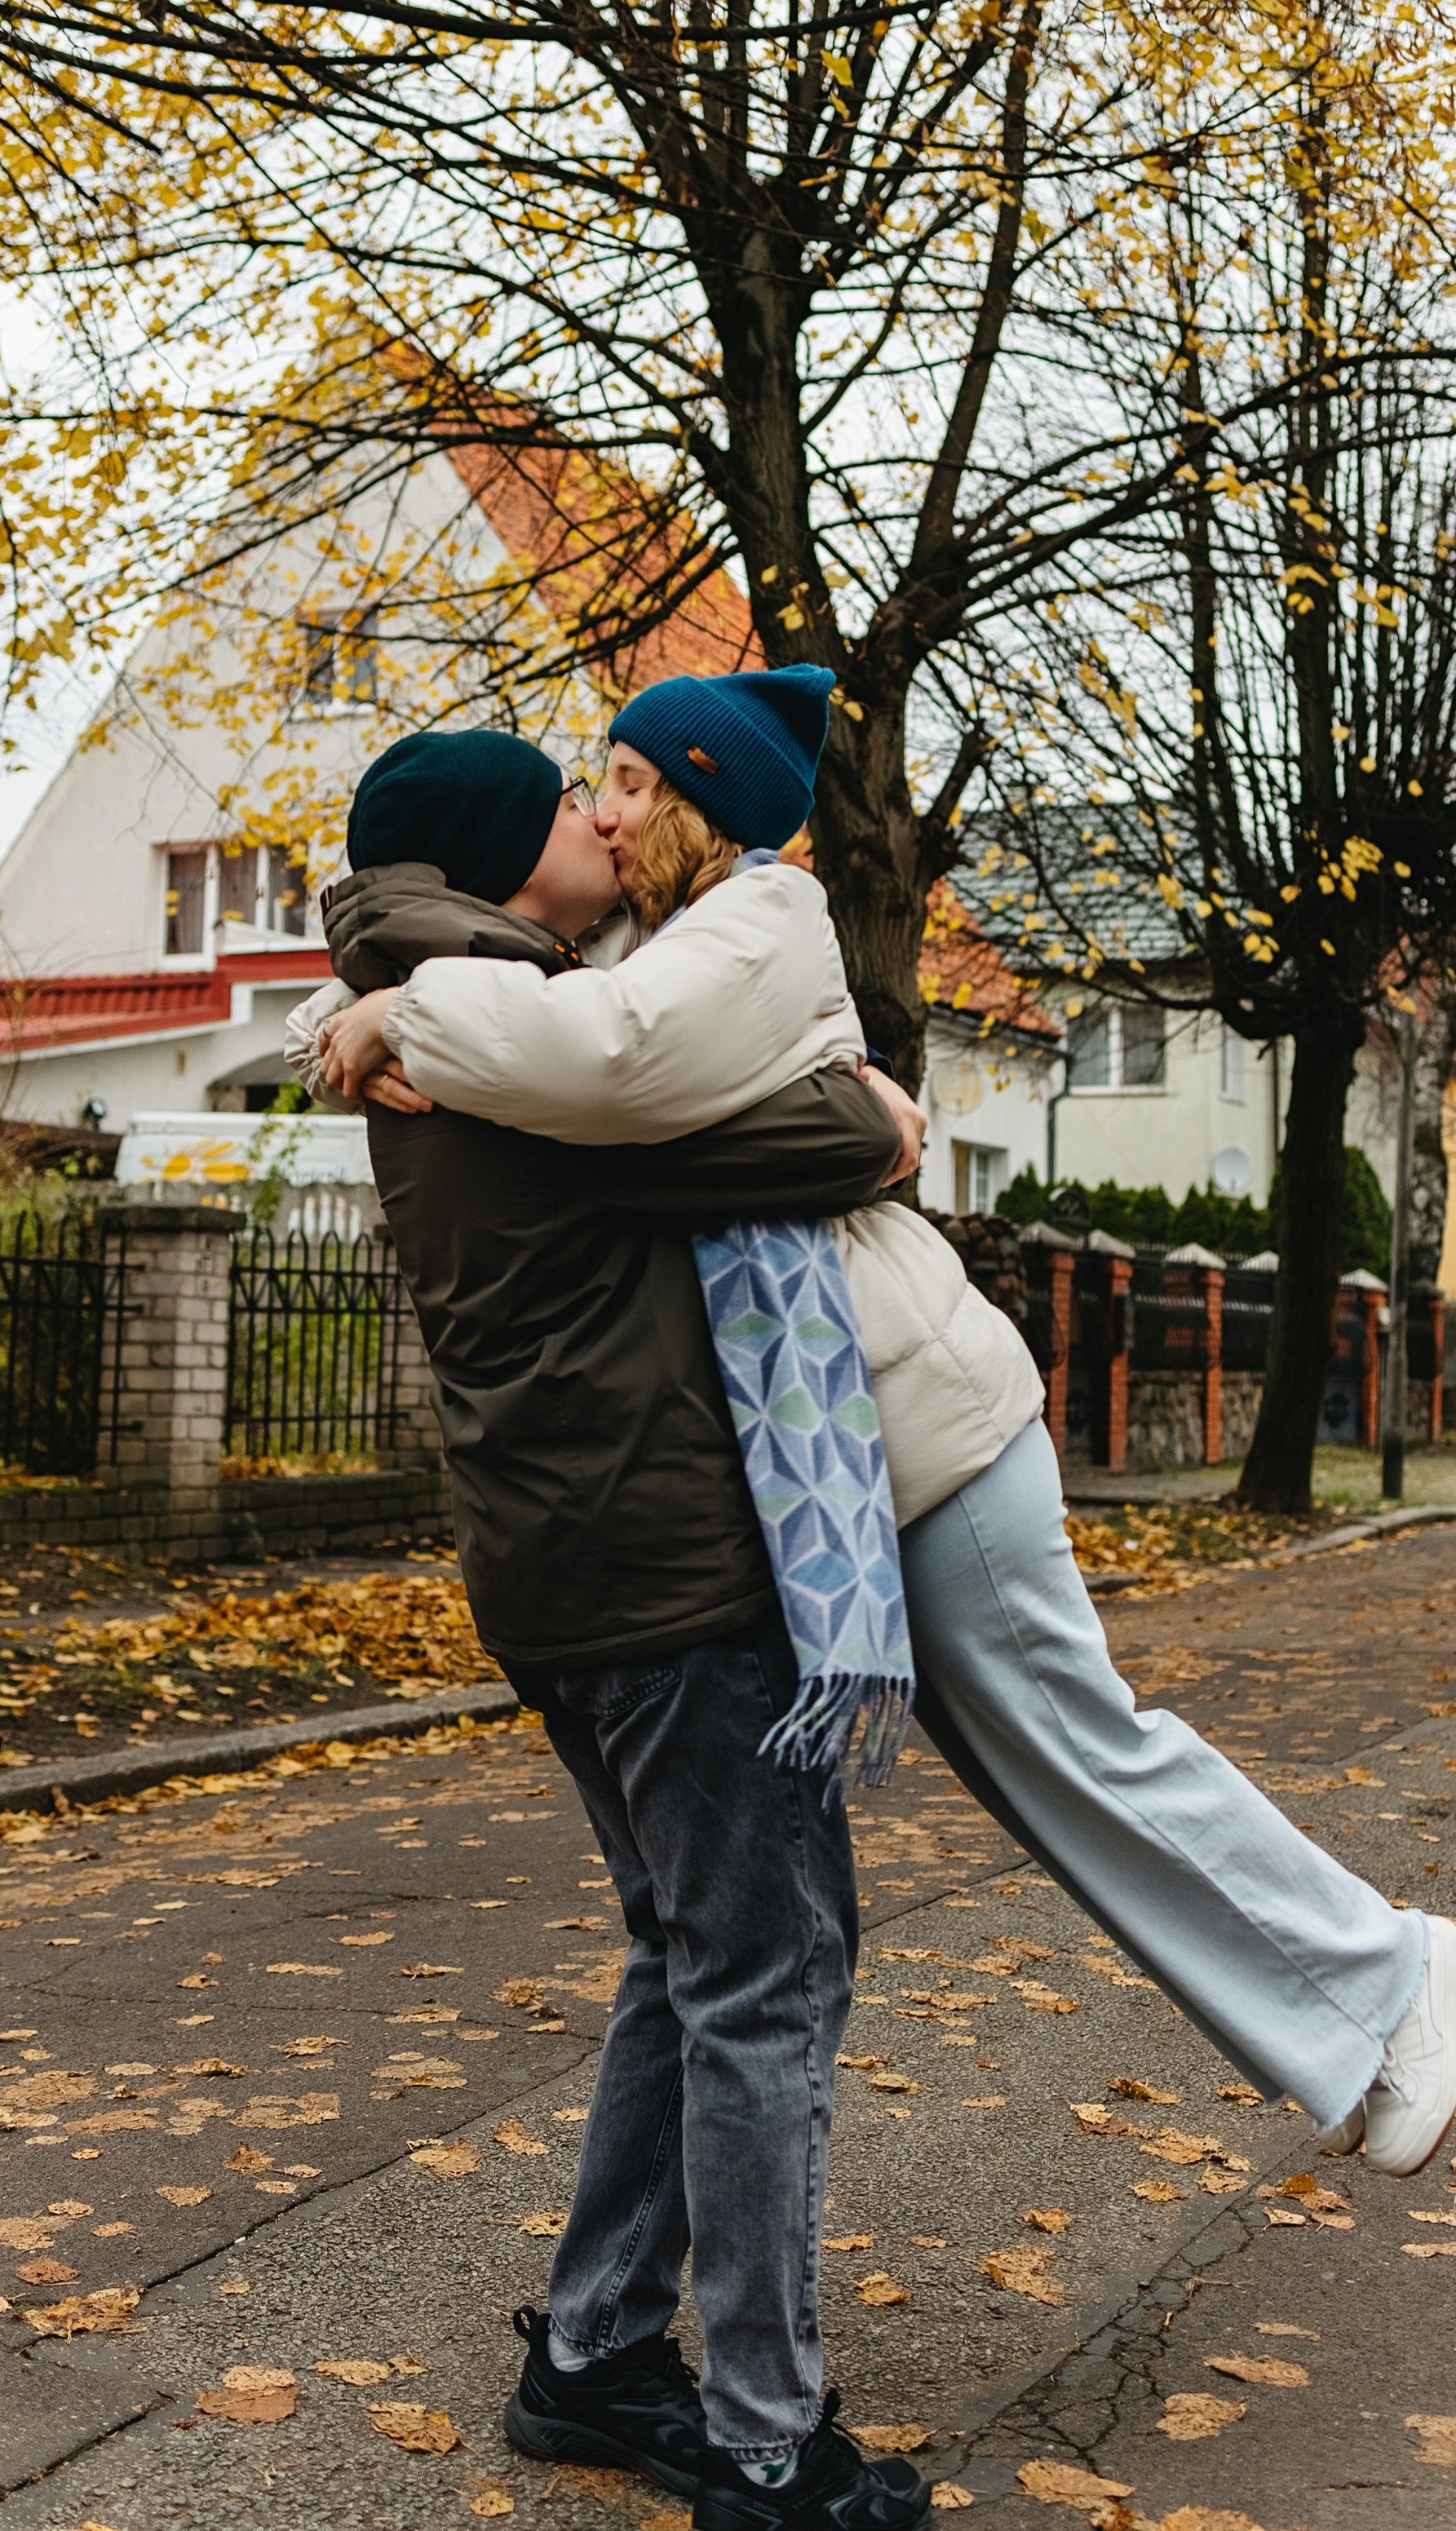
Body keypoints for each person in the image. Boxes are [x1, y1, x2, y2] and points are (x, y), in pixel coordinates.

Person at [305, 672, 1456, 2189]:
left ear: (706, 805)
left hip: (929, 1420)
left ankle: (1385, 1971)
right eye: (591, 787)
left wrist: (395, 1009)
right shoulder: (618, 945)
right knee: (1050, 1780)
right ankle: (1357, 2004)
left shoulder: (758, 918)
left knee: (1076, 1750)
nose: (603, 807)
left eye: (635, 785)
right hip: (851, 1456)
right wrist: (351, 1004)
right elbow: (575, 1040)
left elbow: (612, 1069)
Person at [299, 728, 936, 2531]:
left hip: (565, 1569)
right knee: (765, 1976)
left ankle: (589, 2352)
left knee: (686, 1953)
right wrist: (878, 1111)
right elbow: (801, 1135)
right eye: (567, 801)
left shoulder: (449, 1004)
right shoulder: (504, 1035)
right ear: (506, 850)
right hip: (664, 1569)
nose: (603, 811)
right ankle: (758, 2434)